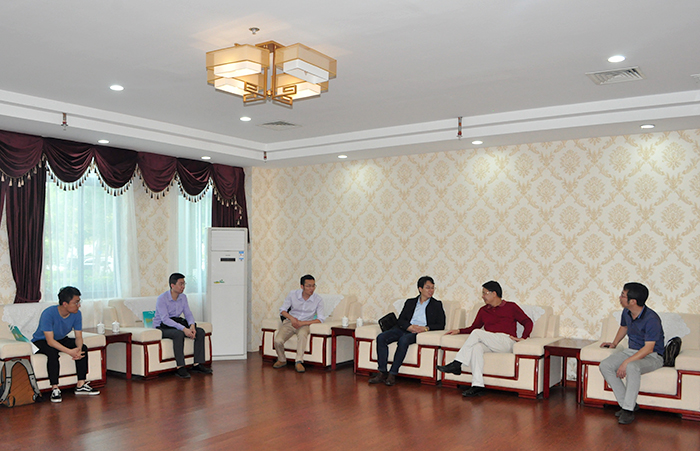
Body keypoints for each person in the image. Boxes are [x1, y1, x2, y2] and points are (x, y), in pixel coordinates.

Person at [437, 281, 532, 397]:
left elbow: (528, 322)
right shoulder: (483, 310)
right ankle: (477, 385)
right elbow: (474, 327)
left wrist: (523, 338)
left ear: (494, 294)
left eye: (485, 293)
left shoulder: (511, 306)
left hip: (506, 341)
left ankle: (457, 363)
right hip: (490, 342)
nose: (482, 296)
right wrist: (459, 331)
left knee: (477, 333)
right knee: (476, 348)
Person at [599, 282, 664, 425]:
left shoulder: (652, 319)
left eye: (623, 295)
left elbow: (648, 349)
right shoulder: (627, 312)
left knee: (632, 367)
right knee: (605, 365)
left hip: (653, 356)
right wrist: (614, 343)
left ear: (633, 301)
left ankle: (627, 410)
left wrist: (626, 362)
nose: (620, 297)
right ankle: (628, 404)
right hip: (632, 351)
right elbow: (624, 327)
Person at [369, 276, 446, 386]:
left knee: (403, 340)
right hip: (405, 328)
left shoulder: (436, 304)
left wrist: (425, 328)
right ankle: (382, 372)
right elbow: (401, 320)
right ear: (420, 289)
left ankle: (392, 374)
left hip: (419, 332)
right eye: (428, 287)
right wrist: (409, 326)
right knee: (381, 337)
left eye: (433, 288)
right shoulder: (410, 302)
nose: (431, 290)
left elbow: (441, 324)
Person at [31, 286, 100, 403]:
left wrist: (78, 349)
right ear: (65, 304)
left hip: (60, 339)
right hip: (42, 341)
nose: (79, 305)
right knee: (52, 353)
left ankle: (81, 385)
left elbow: (78, 337)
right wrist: (70, 352)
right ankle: (55, 388)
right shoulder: (48, 313)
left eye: (79, 302)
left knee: (83, 348)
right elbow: (50, 341)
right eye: (76, 302)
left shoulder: (77, 314)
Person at [154, 273, 212, 379]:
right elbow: (165, 319)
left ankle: (197, 364)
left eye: (184, 284)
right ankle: (180, 367)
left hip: (175, 323)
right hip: (162, 326)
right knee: (179, 334)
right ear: (172, 285)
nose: (183, 286)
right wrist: (184, 329)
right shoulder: (162, 298)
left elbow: (188, 314)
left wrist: (192, 326)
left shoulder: (183, 297)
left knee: (200, 331)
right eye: (181, 284)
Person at [273, 275, 325, 373]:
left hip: (305, 324)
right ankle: (282, 359)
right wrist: (292, 319)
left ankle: (299, 361)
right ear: (302, 286)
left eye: (313, 285)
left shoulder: (318, 300)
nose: (312, 289)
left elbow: (320, 319)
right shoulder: (293, 294)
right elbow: (282, 310)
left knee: (302, 334)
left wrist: (302, 323)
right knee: (278, 340)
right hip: (290, 323)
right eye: (308, 286)